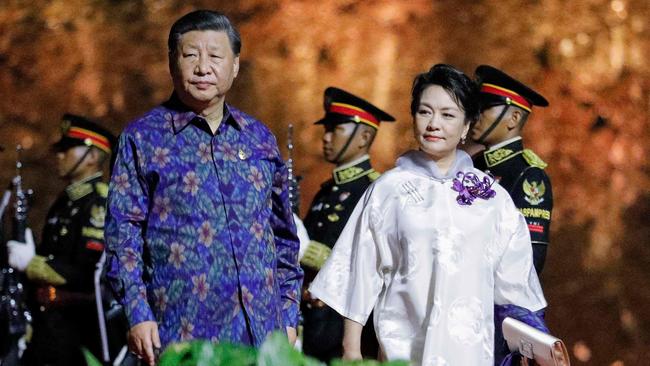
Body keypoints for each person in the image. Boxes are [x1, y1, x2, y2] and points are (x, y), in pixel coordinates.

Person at [309, 64, 548, 365]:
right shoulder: (388, 190)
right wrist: (352, 351)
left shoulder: (494, 200)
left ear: (466, 126)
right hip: (403, 352)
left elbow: (516, 289)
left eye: (448, 115)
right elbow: (358, 272)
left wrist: (533, 345)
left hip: (471, 354)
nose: (434, 123)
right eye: (425, 112)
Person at [104, 10, 303, 366]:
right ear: (171, 62)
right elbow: (123, 233)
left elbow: (284, 235)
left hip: (262, 333)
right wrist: (136, 312)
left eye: (215, 55)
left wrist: (288, 314)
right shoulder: (142, 138)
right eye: (190, 54)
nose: (202, 67)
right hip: (180, 331)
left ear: (236, 65)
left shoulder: (259, 138)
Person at [7, 114, 116, 365]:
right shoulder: (65, 202)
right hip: (50, 326)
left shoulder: (98, 202)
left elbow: (88, 272)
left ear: (91, 157)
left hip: (83, 329)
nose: (59, 156)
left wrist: (32, 263)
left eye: (68, 149)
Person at [300, 87, 394, 363]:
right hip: (314, 322)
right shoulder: (326, 191)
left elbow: (373, 263)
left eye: (335, 129)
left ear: (364, 136)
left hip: (345, 328)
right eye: (326, 129)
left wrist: (312, 253)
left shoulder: (374, 191)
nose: (326, 138)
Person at [470, 65, 552, 275]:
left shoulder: (528, 175)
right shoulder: (473, 165)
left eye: (485, 108)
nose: (475, 116)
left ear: (514, 118)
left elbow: (529, 261)